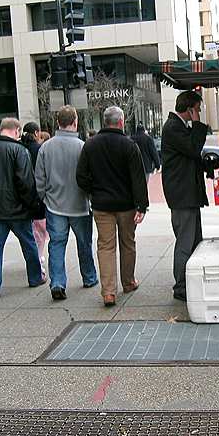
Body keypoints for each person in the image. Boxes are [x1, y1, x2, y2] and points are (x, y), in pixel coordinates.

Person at [76, 106, 148, 307]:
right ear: (121, 121)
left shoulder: (90, 145)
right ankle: (128, 281)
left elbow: (81, 176)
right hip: (126, 205)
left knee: (105, 246)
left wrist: (94, 191)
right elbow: (138, 179)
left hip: (101, 205)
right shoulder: (129, 145)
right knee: (128, 243)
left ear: (105, 121)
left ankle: (108, 292)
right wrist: (141, 206)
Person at [0, 117, 44, 300]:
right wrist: (33, 205)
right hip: (18, 210)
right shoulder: (19, 150)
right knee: (28, 244)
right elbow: (26, 182)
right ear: (17, 131)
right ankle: (35, 277)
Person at [36, 106, 98, 300]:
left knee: (56, 244)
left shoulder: (46, 147)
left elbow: (39, 179)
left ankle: (57, 283)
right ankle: (89, 277)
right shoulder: (83, 146)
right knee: (84, 243)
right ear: (75, 122)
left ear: (58, 123)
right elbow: (91, 177)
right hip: (79, 205)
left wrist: (45, 198)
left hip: (55, 205)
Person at [161, 91, 208, 301]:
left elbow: (191, 156)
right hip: (182, 195)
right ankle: (181, 286)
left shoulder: (178, 127)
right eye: (197, 109)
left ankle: (191, 281)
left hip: (187, 194)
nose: (198, 113)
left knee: (195, 240)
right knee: (185, 242)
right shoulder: (173, 127)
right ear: (189, 109)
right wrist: (198, 123)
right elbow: (193, 148)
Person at [21, 121, 49, 279]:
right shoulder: (39, 149)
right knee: (40, 232)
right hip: (38, 197)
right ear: (37, 133)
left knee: (31, 231)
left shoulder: (18, 148)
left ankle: (35, 259)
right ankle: (38, 260)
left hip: (21, 198)